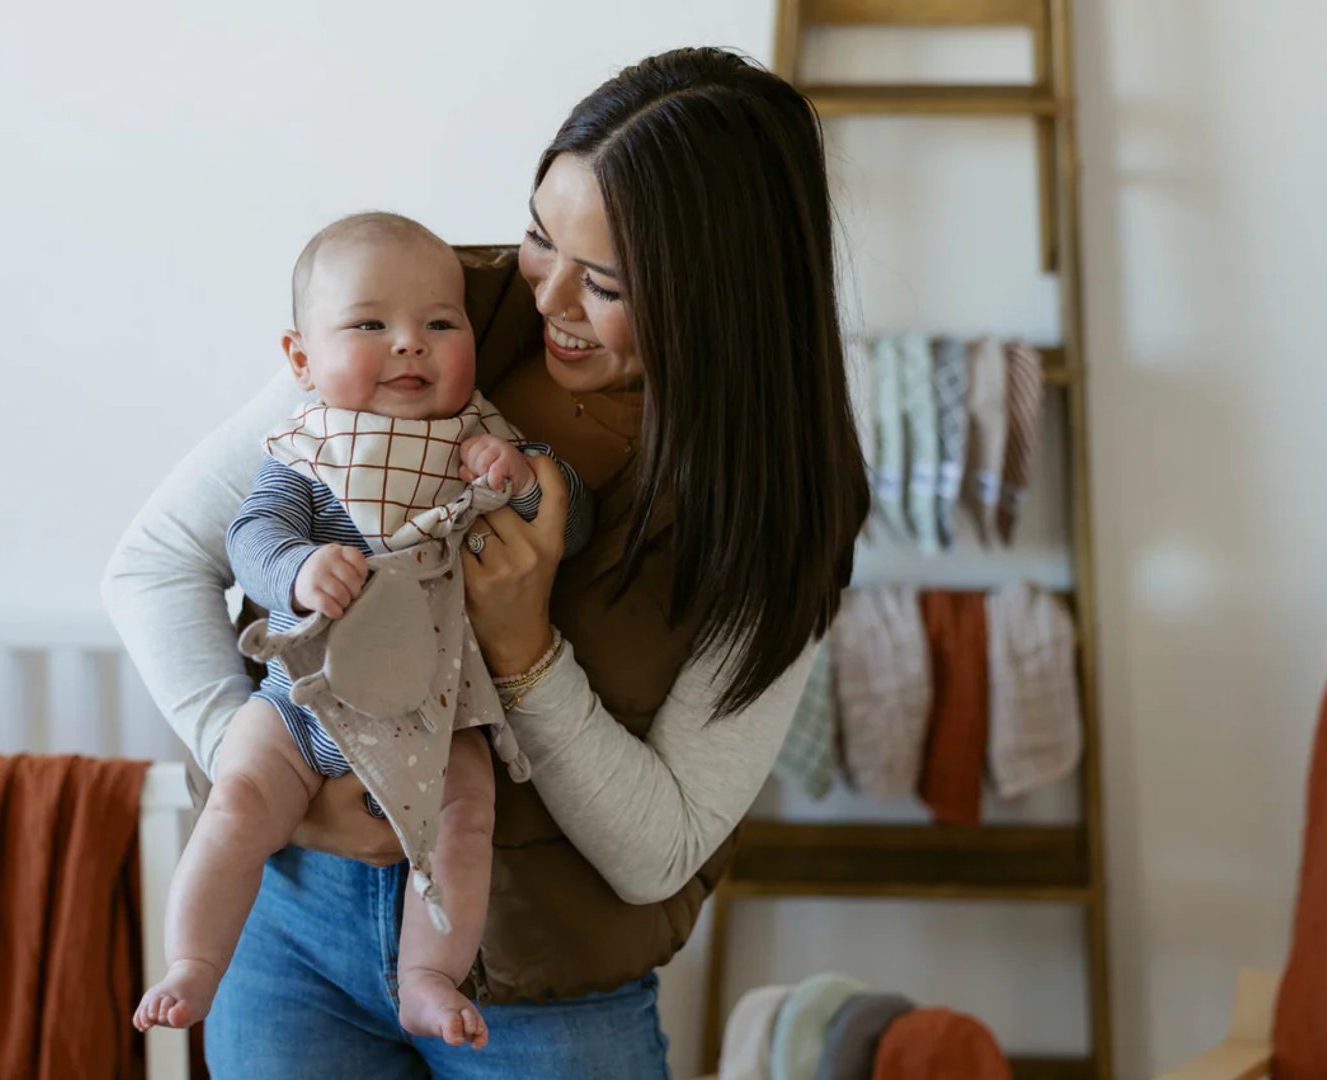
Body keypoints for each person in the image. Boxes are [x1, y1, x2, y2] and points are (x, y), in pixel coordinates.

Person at [104, 46, 870, 1077]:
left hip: (545, 1004)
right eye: (539, 236)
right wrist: (274, 776)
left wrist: (526, 652)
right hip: (293, 943)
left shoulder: (773, 508)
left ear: (716, 292)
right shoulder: (421, 313)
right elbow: (156, 563)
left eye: (602, 282)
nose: (546, 294)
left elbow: (663, 849)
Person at [133, 211, 588, 1048]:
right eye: (371, 325)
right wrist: (298, 570)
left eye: (440, 324)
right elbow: (252, 536)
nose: (410, 344)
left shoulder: (479, 440)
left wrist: (520, 482)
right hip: (303, 705)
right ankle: (195, 960)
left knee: (466, 814)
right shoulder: (307, 450)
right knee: (237, 797)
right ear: (301, 361)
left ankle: (427, 974)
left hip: (437, 709)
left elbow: (560, 529)